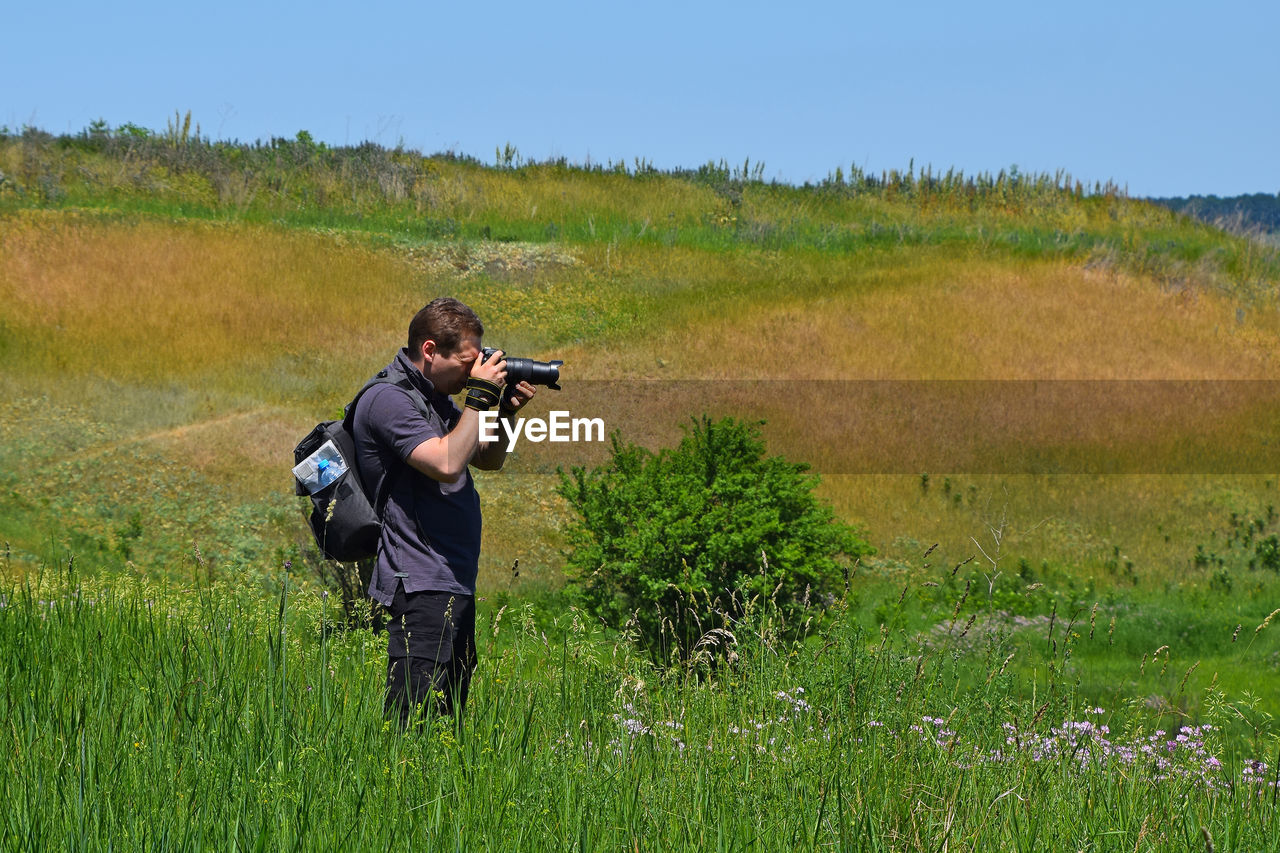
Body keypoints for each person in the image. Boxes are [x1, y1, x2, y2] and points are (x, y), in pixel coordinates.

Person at [351, 297, 536, 723]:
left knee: (444, 721)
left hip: (451, 577)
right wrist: (479, 396)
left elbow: (485, 458)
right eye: (467, 363)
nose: (473, 373)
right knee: (412, 723)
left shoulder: (434, 399)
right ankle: (397, 790)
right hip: (418, 579)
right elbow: (447, 461)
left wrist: (504, 411)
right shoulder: (387, 400)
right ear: (430, 350)